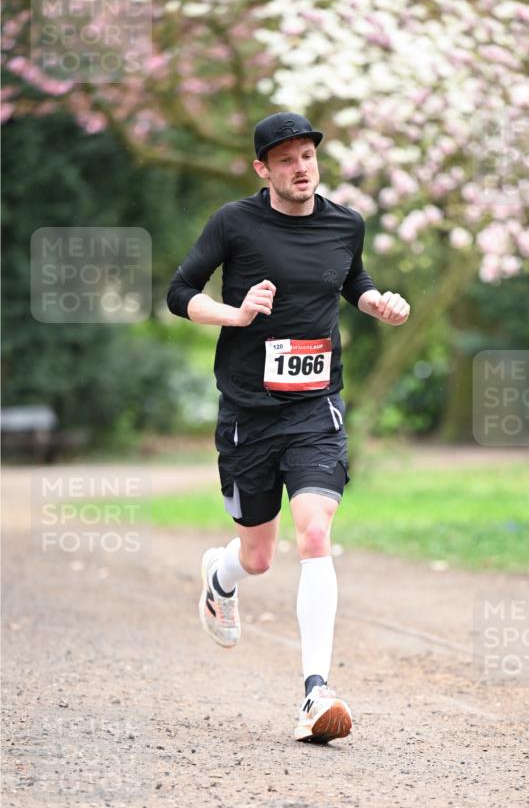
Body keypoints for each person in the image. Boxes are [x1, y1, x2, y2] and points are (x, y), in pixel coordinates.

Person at [167, 112, 410, 743]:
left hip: (314, 407)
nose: (301, 168)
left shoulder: (345, 223)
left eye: (307, 156)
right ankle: (219, 581)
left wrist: (376, 300)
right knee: (258, 555)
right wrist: (237, 314)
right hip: (249, 410)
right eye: (286, 160)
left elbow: (350, 277)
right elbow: (179, 291)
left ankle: (315, 693)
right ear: (262, 170)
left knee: (314, 534)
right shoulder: (234, 223)